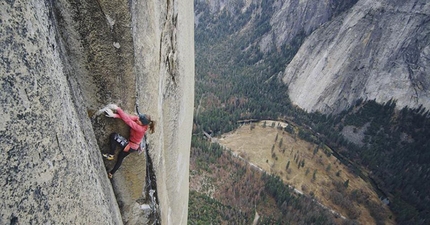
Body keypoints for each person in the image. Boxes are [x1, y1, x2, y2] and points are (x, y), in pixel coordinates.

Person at [102, 104, 155, 179]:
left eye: (139, 120)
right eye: (139, 118)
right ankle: (111, 173)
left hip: (130, 146)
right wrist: (114, 115)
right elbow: (127, 117)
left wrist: (117, 109)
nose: (137, 119)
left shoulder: (140, 129)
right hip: (133, 146)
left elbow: (128, 121)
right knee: (120, 157)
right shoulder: (139, 121)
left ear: (142, 124)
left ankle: (111, 154)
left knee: (114, 136)